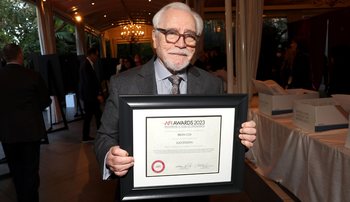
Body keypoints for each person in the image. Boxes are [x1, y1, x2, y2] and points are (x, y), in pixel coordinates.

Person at [94, 2, 256, 201]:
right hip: (140, 194)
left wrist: (239, 140)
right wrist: (110, 156)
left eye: (189, 36)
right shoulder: (123, 83)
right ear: (155, 38)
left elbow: (215, 140)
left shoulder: (211, 84)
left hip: (194, 195)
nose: (181, 43)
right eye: (171, 33)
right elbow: (104, 136)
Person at [0, 43, 51, 202]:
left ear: (4, 57)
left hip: (7, 133)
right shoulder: (33, 75)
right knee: (31, 171)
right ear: (20, 54)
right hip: (30, 132)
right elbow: (45, 101)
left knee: (16, 170)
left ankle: (21, 197)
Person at [79, 46, 104, 142]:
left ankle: (89, 136)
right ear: (92, 55)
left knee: (93, 116)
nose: (97, 57)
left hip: (89, 96)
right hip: (90, 97)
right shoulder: (86, 65)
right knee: (93, 116)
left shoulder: (87, 64)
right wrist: (97, 94)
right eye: (96, 55)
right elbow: (88, 83)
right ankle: (94, 136)